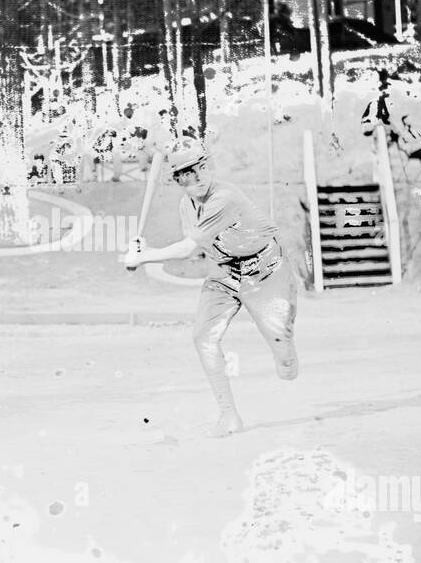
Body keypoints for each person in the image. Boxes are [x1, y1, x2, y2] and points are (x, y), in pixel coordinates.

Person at [123, 138, 299, 438]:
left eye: (204, 166)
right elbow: (196, 244)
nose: (200, 174)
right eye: (191, 171)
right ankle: (229, 417)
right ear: (179, 179)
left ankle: (285, 354)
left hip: (267, 269)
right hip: (223, 271)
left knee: (281, 346)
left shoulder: (225, 197)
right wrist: (143, 252)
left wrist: (143, 256)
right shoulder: (186, 206)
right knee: (203, 337)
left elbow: (187, 248)